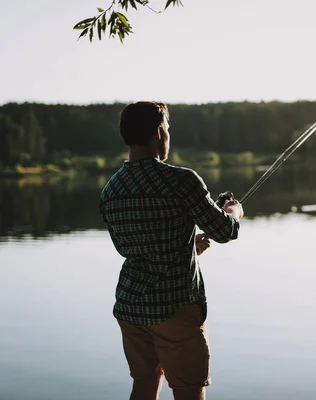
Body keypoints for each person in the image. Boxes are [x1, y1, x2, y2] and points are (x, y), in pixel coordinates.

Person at [99, 101, 243, 400]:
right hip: (173, 308)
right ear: (158, 132)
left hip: (130, 308)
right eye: (167, 128)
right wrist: (233, 211)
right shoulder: (181, 180)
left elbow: (131, 247)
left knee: (144, 384)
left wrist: (186, 246)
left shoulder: (111, 189)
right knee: (189, 391)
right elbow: (225, 231)